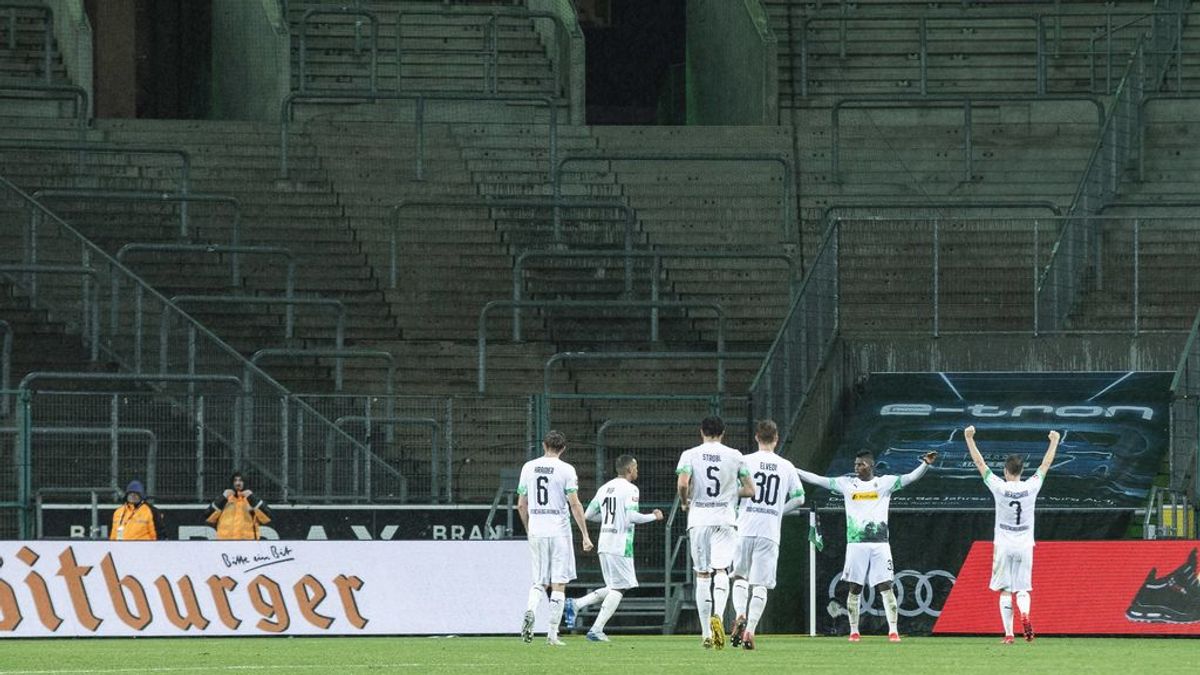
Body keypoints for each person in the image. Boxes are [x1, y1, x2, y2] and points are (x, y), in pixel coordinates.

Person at [798, 448, 937, 642]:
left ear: (871, 466)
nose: (857, 468)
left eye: (861, 464)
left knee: (886, 586)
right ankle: (854, 631)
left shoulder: (884, 483)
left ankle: (893, 631)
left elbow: (910, 478)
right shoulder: (847, 484)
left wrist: (925, 464)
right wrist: (792, 469)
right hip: (856, 544)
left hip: (880, 545)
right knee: (855, 588)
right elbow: (817, 479)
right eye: (855, 464)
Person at [964, 424, 1059, 644]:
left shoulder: (999, 486)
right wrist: (1054, 442)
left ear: (1006, 471)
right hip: (1025, 544)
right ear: (1021, 471)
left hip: (1004, 544)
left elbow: (980, 464)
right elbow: (1045, 464)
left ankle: (1008, 634)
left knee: (1005, 589)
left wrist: (969, 438)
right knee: (1023, 588)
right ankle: (1025, 614)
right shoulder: (1032, 486)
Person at [563, 454, 663, 642]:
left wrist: (610, 520)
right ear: (628, 470)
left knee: (613, 586)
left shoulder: (604, 488)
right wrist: (653, 516)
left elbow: (588, 515)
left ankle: (576, 604)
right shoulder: (631, 489)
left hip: (604, 543)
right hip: (620, 544)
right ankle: (596, 629)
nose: (637, 471)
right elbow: (632, 517)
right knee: (620, 588)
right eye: (635, 468)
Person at [676, 415, 754, 650]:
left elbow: (682, 483)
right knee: (722, 569)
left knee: (702, 574)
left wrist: (684, 501)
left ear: (702, 432)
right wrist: (730, 494)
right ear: (723, 432)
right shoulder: (735, 456)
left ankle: (706, 634)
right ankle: (718, 614)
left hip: (699, 518)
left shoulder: (690, 454)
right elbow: (750, 490)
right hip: (725, 518)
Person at [728, 420, 806, 650]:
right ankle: (750, 629)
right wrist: (778, 511)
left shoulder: (745, 461)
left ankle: (740, 613)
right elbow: (800, 497)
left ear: (756, 437)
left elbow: (732, 490)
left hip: (744, 527)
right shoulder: (786, 465)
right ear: (777, 438)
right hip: (769, 531)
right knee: (761, 584)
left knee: (740, 577)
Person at [517, 430, 595, 646]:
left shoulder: (528, 467)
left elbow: (521, 504)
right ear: (563, 448)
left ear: (544, 445)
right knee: (558, 583)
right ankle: (552, 634)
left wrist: (528, 528)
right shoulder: (567, 469)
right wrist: (585, 535)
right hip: (559, 530)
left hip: (537, 529)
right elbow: (575, 504)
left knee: (539, 581)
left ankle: (531, 611)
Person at [205, 472, 272, 540]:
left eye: (241, 480)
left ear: (245, 482)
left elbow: (267, 517)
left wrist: (252, 498)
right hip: (225, 542)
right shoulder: (225, 499)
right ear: (232, 483)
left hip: (247, 543)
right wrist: (223, 497)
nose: (238, 483)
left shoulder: (251, 499)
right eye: (235, 480)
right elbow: (208, 517)